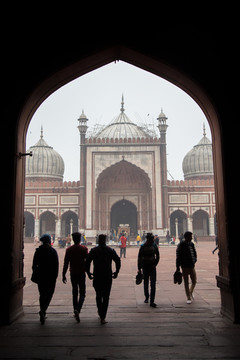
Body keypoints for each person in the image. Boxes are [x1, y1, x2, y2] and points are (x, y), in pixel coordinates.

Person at [86, 234, 121, 324]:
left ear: (98, 240)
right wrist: (116, 271)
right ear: (105, 240)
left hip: (97, 275)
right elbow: (117, 260)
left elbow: (87, 261)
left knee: (98, 295)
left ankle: (100, 311)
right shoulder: (110, 250)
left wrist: (88, 272)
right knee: (106, 296)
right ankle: (103, 316)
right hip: (107, 276)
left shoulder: (94, 250)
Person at [32, 234, 59, 324]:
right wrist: (55, 276)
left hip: (41, 276)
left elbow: (34, 265)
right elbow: (56, 265)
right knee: (49, 293)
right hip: (50, 276)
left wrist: (36, 273)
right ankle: (43, 310)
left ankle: (42, 310)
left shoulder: (38, 251)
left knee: (42, 293)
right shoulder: (52, 251)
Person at [62, 232, 88, 323]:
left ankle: (75, 309)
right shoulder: (84, 249)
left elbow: (66, 263)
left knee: (74, 292)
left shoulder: (69, 249)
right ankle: (78, 309)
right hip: (81, 272)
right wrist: (88, 273)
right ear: (80, 239)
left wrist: (63, 274)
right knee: (82, 293)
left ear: (73, 239)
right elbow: (87, 262)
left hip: (73, 272)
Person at [137, 232, 160, 308]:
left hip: (152, 267)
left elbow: (157, 255)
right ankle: (147, 297)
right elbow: (139, 257)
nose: (153, 240)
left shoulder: (153, 246)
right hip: (146, 267)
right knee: (146, 283)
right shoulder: (143, 246)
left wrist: (155, 263)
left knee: (152, 284)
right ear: (149, 239)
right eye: (152, 239)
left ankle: (152, 301)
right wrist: (139, 268)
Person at [176, 231, 197, 304]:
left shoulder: (192, 244)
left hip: (191, 265)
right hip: (184, 266)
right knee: (186, 282)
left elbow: (194, 253)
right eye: (190, 236)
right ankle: (188, 297)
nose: (192, 238)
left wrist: (195, 260)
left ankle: (190, 292)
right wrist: (178, 267)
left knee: (194, 281)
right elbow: (178, 256)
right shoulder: (181, 245)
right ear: (186, 237)